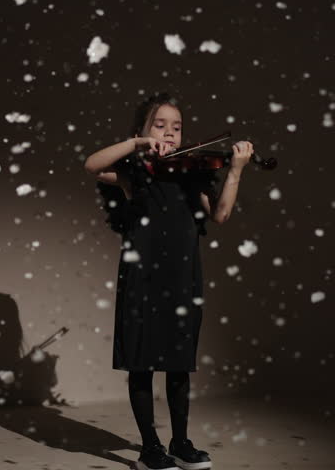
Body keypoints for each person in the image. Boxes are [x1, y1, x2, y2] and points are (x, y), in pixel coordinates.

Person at [85, 92, 253, 470]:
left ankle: (181, 442)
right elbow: (92, 165)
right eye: (159, 125)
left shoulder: (192, 173)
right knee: (141, 363)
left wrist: (237, 169)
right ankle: (150, 449)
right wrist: (137, 145)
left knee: (179, 365)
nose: (170, 133)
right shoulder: (133, 172)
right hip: (143, 277)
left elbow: (221, 215)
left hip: (182, 277)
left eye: (176, 127)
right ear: (142, 130)